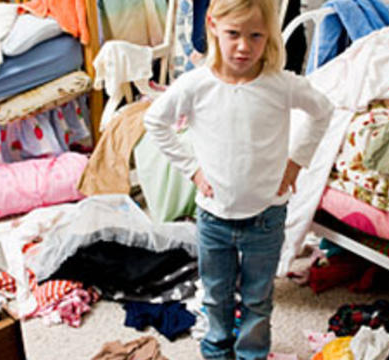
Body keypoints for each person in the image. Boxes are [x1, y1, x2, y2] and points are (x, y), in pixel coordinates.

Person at [143, 0, 333, 357]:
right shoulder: (195, 84)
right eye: (234, 34)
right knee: (215, 295)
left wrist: (297, 161)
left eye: (255, 35)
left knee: (258, 297)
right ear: (213, 26)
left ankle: (251, 353)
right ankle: (216, 349)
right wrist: (192, 169)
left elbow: (323, 111)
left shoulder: (281, 84)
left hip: (266, 217)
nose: (244, 46)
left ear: (269, 35)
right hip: (213, 217)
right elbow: (155, 121)